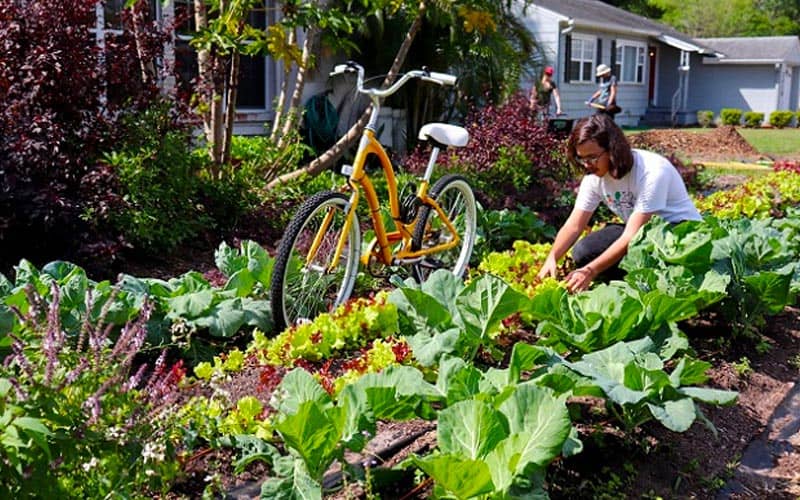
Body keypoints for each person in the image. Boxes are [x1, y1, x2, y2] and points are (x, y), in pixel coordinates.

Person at [536, 114, 702, 293]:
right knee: (584, 251)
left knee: (639, 257)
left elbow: (632, 235)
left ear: (612, 149)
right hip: (643, 232)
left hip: (680, 234)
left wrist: (590, 271)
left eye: (592, 157)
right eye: (581, 159)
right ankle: (627, 282)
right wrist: (552, 257)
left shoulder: (652, 172)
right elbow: (574, 225)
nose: (586, 165)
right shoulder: (593, 178)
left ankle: (650, 288)